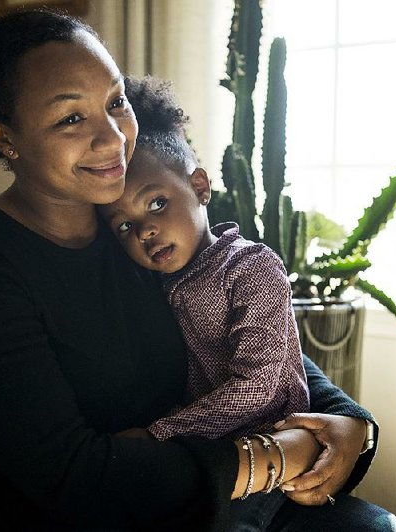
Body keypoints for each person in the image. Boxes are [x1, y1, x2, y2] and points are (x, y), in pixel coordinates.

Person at [0, 9, 396, 531]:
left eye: (116, 102)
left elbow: (252, 338)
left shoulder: (131, 226)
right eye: (71, 118)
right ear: (4, 137)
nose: (113, 136)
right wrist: (273, 458)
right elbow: (74, 477)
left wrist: (350, 424)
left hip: (192, 489)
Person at [99, 75, 310, 529]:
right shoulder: (161, 282)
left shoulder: (251, 269)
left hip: (271, 449)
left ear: (198, 186)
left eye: (155, 204)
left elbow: (258, 387)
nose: (144, 231)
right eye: (124, 226)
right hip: (208, 448)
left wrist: (159, 433)